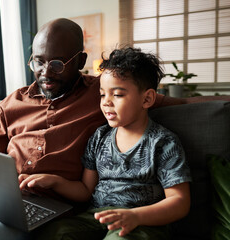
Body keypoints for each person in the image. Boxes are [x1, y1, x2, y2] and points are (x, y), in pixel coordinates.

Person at [0, 18, 227, 240]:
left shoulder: (101, 93)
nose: (46, 72)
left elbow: (170, 102)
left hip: (41, 209)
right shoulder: (12, 102)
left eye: (56, 63)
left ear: (80, 62)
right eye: (38, 61)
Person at [18, 47, 192, 240]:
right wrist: (56, 182)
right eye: (102, 94)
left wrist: (135, 216)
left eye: (117, 94)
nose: (106, 102)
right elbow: (85, 190)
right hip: (97, 217)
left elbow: (179, 202)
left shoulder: (163, 142)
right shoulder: (100, 137)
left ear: (147, 98)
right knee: (56, 232)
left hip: (142, 222)